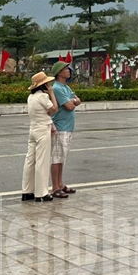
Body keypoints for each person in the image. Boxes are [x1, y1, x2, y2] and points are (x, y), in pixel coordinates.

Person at [21, 72, 58, 203]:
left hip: (33, 129)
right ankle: (41, 193)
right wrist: (52, 94)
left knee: (30, 160)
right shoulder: (43, 96)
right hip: (43, 129)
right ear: (44, 85)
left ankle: (27, 190)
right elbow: (54, 109)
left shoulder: (31, 97)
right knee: (42, 161)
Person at [50, 61, 81, 199]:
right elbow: (70, 105)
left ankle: (61, 184)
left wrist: (73, 101)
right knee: (56, 158)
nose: (68, 70)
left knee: (62, 158)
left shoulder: (66, 87)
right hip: (60, 127)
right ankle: (55, 187)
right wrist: (73, 102)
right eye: (65, 69)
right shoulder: (57, 88)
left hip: (67, 128)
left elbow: (77, 100)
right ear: (59, 73)